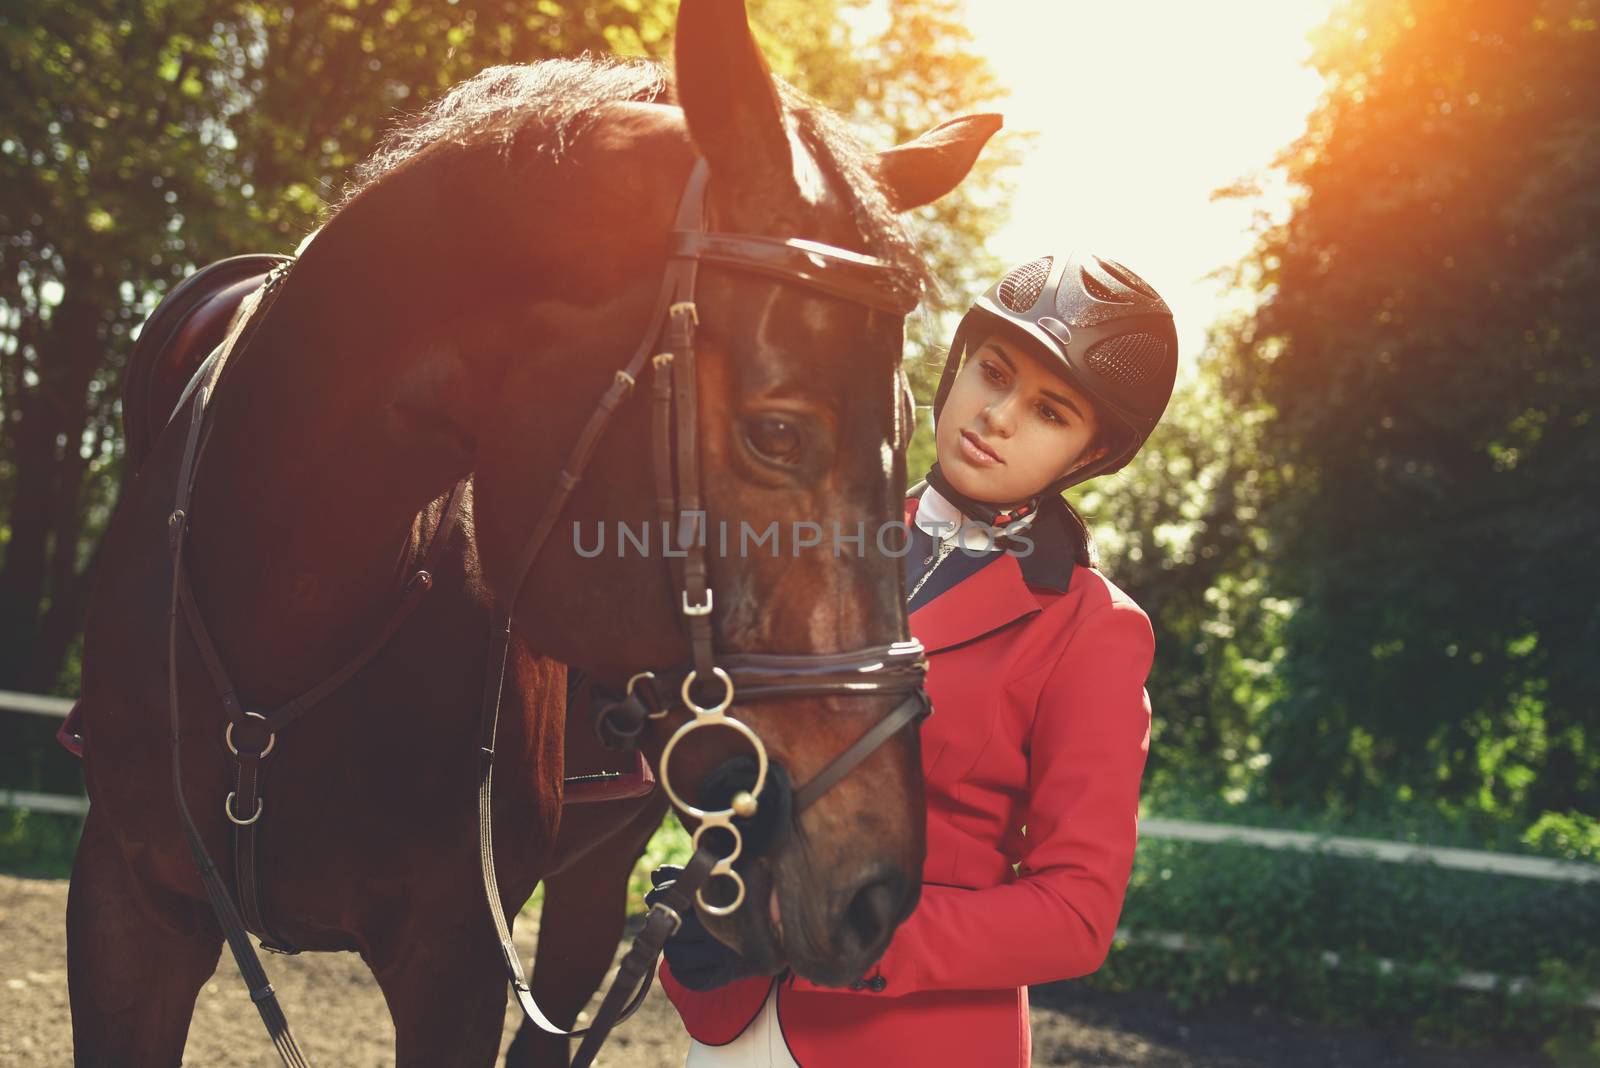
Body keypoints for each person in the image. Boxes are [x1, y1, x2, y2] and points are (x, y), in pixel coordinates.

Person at [651, 251, 1179, 1067]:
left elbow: (1075, 914)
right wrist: (707, 884)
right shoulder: (814, 536)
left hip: (907, 1040)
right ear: (957, 364)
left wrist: (815, 926)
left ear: (1088, 454)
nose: (999, 415)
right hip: (727, 1013)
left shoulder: (1092, 628)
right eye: (992, 373)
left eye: (1048, 411)